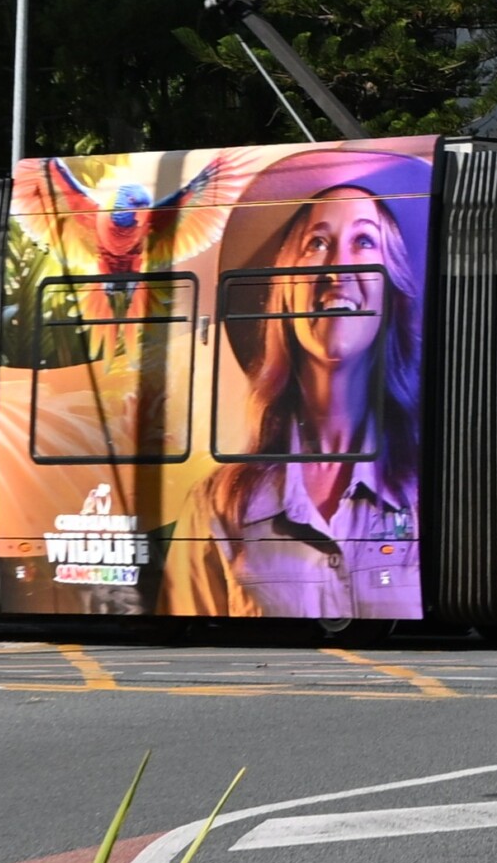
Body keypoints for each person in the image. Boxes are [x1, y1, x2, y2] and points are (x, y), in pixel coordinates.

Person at [178, 182, 423, 624]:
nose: (338, 268)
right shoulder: (218, 504)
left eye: (364, 241)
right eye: (317, 243)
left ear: (393, 290)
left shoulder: (445, 488)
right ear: (283, 291)